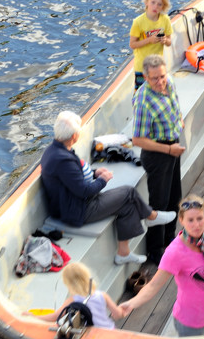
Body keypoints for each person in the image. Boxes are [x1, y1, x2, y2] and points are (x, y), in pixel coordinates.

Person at [41, 111, 176, 265]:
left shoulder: (55, 151)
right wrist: (102, 180)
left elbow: (72, 178)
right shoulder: (63, 160)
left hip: (75, 203)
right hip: (79, 210)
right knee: (128, 192)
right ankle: (151, 216)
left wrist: (94, 172)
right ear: (74, 136)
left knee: (128, 205)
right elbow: (84, 190)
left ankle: (123, 253)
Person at [119, 195, 204, 337]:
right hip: (191, 321)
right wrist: (131, 303)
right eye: (190, 220)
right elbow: (153, 286)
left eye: (200, 218)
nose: (196, 225)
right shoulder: (175, 252)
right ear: (181, 220)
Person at [131, 54, 184, 265]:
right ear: (145, 77)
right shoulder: (143, 101)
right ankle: (155, 250)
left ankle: (170, 239)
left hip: (173, 146)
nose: (160, 82)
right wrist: (168, 149)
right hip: (158, 154)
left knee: (174, 197)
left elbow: (175, 104)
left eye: (162, 76)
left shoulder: (168, 82)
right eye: (154, 79)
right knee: (159, 203)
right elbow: (138, 140)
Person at [29, 261, 124, 328]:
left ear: (69, 284)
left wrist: (33, 317)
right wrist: (121, 310)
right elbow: (118, 314)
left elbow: (55, 317)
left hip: (91, 335)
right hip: (109, 330)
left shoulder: (73, 300)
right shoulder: (102, 295)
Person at [129, 0, 174, 89]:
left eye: (159, 4)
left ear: (163, 7)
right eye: (153, 2)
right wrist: (149, 40)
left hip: (158, 67)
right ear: (146, 2)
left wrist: (165, 40)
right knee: (140, 94)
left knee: (159, 91)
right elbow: (132, 44)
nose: (155, 6)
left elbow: (169, 41)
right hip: (142, 67)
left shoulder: (165, 20)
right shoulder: (138, 22)